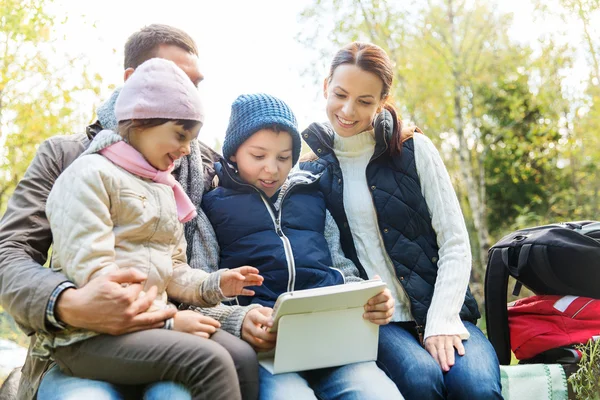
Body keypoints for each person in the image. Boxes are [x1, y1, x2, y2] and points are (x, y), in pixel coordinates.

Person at [0, 24, 262, 400]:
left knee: (234, 359)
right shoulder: (73, 161)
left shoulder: (188, 172)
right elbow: (11, 255)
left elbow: (174, 267)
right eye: (171, 79)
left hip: (173, 325)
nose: (184, 93)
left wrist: (223, 293)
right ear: (135, 85)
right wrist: (67, 303)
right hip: (95, 332)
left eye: (193, 85)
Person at [299, 42, 503, 399]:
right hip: (378, 323)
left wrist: (440, 322)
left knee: (477, 387)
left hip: (444, 309)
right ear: (325, 86)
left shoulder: (414, 148)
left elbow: (455, 242)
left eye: (364, 101)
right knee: (420, 378)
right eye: (340, 95)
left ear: (382, 101)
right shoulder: (310, 171)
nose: (348, 110)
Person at [201, 93, 404, 400]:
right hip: (266, 351)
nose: (271, 169)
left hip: (333, 345)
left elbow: (341, 270)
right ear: (233, 154)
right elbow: (201, 290)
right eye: (258, 156)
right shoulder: (211, 207)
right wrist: (238, 322)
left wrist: (368, 297)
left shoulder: (311, 194)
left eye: (283, 158)